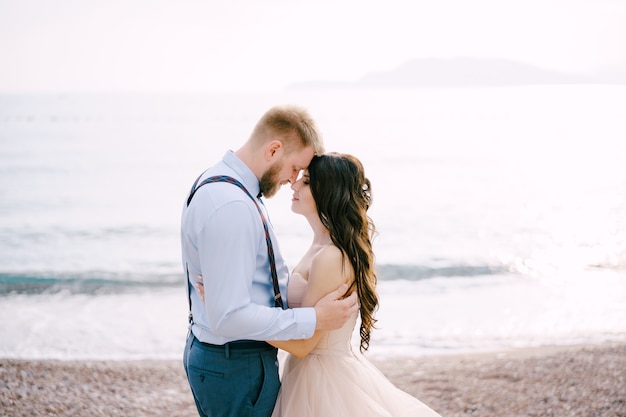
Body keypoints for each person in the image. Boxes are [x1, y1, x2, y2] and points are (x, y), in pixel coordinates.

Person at [180, 106, 359, 417]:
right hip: (236, 364)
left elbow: (242, 298)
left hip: (228, 358)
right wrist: (314, 319)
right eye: (295, 168)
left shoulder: (222, 186)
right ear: (274, 149)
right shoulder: (232, 205)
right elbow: (229, 315)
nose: (293, 181)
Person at [267, 152, 443, 416]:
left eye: (307, 181)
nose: (294, 184)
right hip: (312, 372)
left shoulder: (330, 256)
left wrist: (239, 319)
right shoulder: (321, 247)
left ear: (328, 191)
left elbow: (304, 345)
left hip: (322, 379)